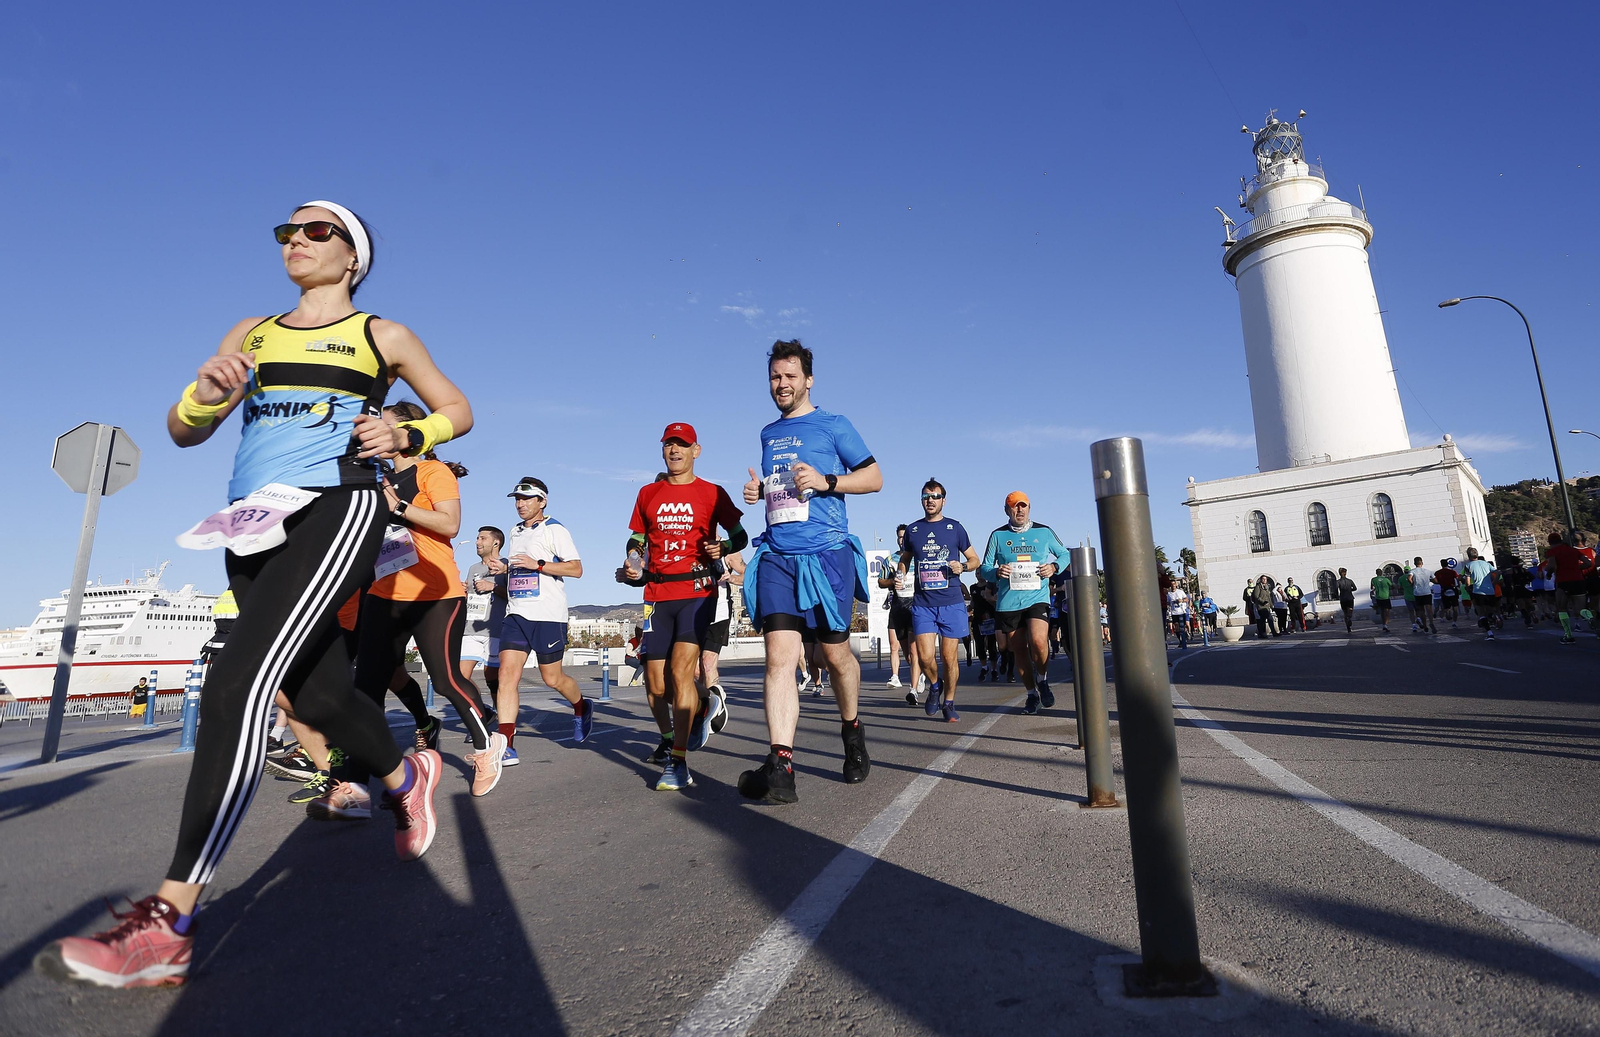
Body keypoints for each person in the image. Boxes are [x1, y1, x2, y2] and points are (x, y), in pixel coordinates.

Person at [37, 202, 467, 989]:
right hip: (247, 522)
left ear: (353, 257)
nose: (295, 242)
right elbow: (182, 428)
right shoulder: (251, 330)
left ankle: (169, 920)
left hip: (337, 504)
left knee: (241, 677)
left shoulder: (383, 335)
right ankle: (408, 776)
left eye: (316, 232)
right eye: (286, 232)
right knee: (321, 694)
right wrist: (204, 393)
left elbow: (458, 409)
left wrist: (411, 436)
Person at [330, 401, 501, 813]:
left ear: (408, 432)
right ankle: (355, 786)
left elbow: (450, 525)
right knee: (365, 687)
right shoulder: (377, 478)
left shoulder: (432, 472)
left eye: (383, 428)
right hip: (383, 593)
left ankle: (485, 746)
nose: (375, 436)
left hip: (435, 594)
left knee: (444, 681)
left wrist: (399, 507)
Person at [737, 340, 881, 804]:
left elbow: (874, 478)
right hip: (779, 555)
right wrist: (761, 492)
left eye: (790, 376)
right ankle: (782, 763)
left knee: (835, 658)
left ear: (808, 380)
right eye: (775, 377)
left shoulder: (834, 425)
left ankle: (852, 731)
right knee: (780, 657)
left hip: (827, 557)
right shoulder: (767, 433)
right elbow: (783, 490)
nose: (782, 384)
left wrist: (827, 481)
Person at [618, 421, 747, 791]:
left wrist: (721, 548)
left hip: (696, 593)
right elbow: (637, 537)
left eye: (682, 445)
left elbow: (740, 534)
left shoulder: (712, 492)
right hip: (657, 596)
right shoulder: (648, 493)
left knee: (679, 671)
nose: (675, 451)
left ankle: (678, 763)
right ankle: (700, 707)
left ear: (696, 451)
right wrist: (633, 560)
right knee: (656, 685)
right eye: (669, 445)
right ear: (662, 450)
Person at [492, 477, 590, 761]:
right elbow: (521, 566)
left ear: (542, 501)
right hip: (516, 613)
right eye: (516, 499)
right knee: (506, 676)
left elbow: (576, 569)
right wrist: (506, 567)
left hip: (547, 615)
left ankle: (582, 706)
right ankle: (506, 744)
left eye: (526, 499)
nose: (520, 504)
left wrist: (539, 565)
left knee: (552, 678)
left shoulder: (554, 529)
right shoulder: (515, 531)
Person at [980, 492, 1071, 715]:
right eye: (1014, 507)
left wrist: (1054, 567)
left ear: (1029, 508)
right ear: (1006, 510)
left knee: (1039, 641)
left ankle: (1042, 678)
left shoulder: (1044, 531)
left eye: (1023, 506)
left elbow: (1065, 554)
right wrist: (996, 572)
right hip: (1009, 602)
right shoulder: (998, 535)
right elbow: (984, 568)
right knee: (1018, 649)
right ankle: (1031, 695)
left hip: (1036, 598)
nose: (1019, 510)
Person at [901, 478, 980, 721]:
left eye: (935, 497)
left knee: (949, 657)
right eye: (926, 497)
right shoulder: (913, 530)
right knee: (924, 658)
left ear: (943, 500)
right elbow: (905, 559)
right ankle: (935, 685)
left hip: (952, 602)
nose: (930, 501)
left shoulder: (955, 528)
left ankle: (949, 702)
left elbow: (975, 559)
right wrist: (899, 574)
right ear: (921, 500)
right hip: (924, 604)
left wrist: (963, 566)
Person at [461, 525, 508, 703]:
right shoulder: (473, 568)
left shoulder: (506, 565)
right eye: (477, 538)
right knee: (460, 677)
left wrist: (493, 587)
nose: (477, 542)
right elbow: (472, 599)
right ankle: (482, 712)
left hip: (495, 630)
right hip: (471, 629)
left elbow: (514, 594)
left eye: (482, 538)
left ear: (496, 543)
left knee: (493, 679)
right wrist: (464, 592)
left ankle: (501, 716)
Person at [878, 525, 923, 698]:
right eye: (899, 537)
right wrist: (892, 582)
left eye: (905, 537)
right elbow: (880, 581)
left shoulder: (918, 557)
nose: (902, 540)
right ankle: (919, 673)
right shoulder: (890, 560)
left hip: (916, 605)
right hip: (898, 607)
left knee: (914, 650)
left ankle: (912, 691)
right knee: (908, 655)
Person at [1540, 532, 1596, 645]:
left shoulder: (1552, 552)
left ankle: (1568, 635)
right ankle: (1590, 618)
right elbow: (1588, 563)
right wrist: (1576, 568)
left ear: (1550, 542)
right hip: (1578, 581)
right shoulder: (1573, 550)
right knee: (1581, 609)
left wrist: (1549, 574)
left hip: (1563, 581)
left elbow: (1551, 565)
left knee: (1562, 608)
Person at [1463, 548, 1500, 640]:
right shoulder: (1486, 564)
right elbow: (1498, 572)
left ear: (1468, 556)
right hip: (1490, 591)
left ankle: (1490, 633)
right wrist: (1494, 583)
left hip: (1478, 591)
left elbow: (1467, 581)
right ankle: (1495, 616)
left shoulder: (1468, 566)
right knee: (1489, 609)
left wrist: (1468, 588)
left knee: (1481, 613)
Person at [972, 580, 998, 681]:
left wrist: (987, 597)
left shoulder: (990, 586)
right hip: (978, 619)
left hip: (990, 618)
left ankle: (994, 670)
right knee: (980, 644)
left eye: (980, 573)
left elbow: (995, 602)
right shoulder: (973, 587)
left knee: (991, 645)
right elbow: (973, 602)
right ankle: (984, 667)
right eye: (977, 573)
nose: (978, 575)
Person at [1407, 557, 1437, 635]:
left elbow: (1409, 578)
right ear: (1422, 563)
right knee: (1429, 609)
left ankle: (1424, 625)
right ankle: (1431, 622)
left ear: (1414, 563)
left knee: (1421, 610)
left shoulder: (1412, 571)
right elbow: (1435, 580)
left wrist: (1412, 583)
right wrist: (1429, 580)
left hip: (1418, 593)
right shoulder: (1428, 571)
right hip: (1427, 592)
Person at [1434, 559, 1461, 628]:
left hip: (1444, 589)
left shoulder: (1437, 573)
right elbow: (1458, 579)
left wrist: (1439, 582)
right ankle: (1454, 622)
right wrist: (1458, 586)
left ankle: (1447, 613)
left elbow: (1435, 581)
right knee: (1455, 607)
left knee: (1446, 606)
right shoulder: (1452, 572)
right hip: (1452, 588)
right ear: (1447, 564)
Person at [1166, 583, 1190, 649]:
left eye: (1174, 585)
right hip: (1174, 612)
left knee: (1182, 626)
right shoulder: (1169, 594)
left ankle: (1185, 637)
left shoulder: (1180, 592)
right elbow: (1167, 602)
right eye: (1172, 585)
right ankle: (1180, 640)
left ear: (1176, 585)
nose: (1173, 586)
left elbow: (1186, 599)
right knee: (1176, 627)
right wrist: (1170, 603)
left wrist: (1181, 600)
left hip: (1181, 611)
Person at [1369, 568, 1393, 633]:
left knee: (1382, 611)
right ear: (1381, 573)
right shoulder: (1386, 579)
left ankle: (1383, 624)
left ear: (1376, 573)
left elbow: (1372, 588)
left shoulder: (1373, 579)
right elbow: (1391, 586)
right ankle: (1386, 625)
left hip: (1379, 597)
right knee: (1387, 612)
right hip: (1386, 597)